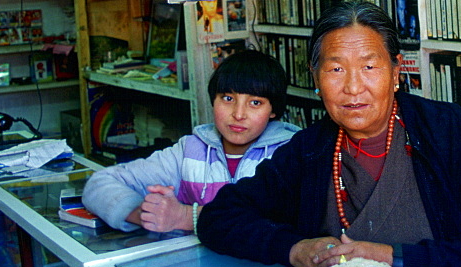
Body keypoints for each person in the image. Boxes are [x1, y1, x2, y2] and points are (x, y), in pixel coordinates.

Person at [198, 1, 461, 267]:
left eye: (369, 66)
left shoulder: (446, 130)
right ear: (315, 78)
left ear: (395, 72)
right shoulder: (310, 149)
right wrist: (295, 249)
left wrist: (392, 257)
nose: (352, 87)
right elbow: (219, 217)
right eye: (335, 69)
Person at [83, 50, 299, 233]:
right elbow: (99, 183)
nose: (238, 114)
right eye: (228, 98)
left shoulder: (292, 154)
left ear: (273, 111)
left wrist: (184, 216)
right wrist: (145, 214)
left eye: (254, 102)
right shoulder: (190, 151)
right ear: (213, 99)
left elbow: (268, 222)